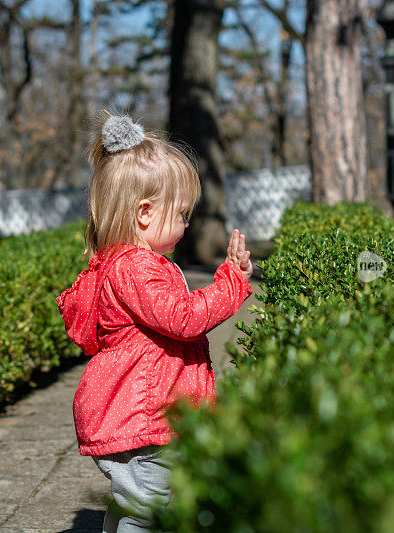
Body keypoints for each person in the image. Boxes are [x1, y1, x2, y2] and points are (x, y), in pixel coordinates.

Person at [56, 114, 253, 532]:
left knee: (138, 506)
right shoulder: (136, 268)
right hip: (143, 420)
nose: (187, 223)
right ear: (144, 213)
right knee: (152, 508)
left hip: (136, 415)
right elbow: (184, 318)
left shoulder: (130, 264)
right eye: (182, 213)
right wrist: (232, 282)